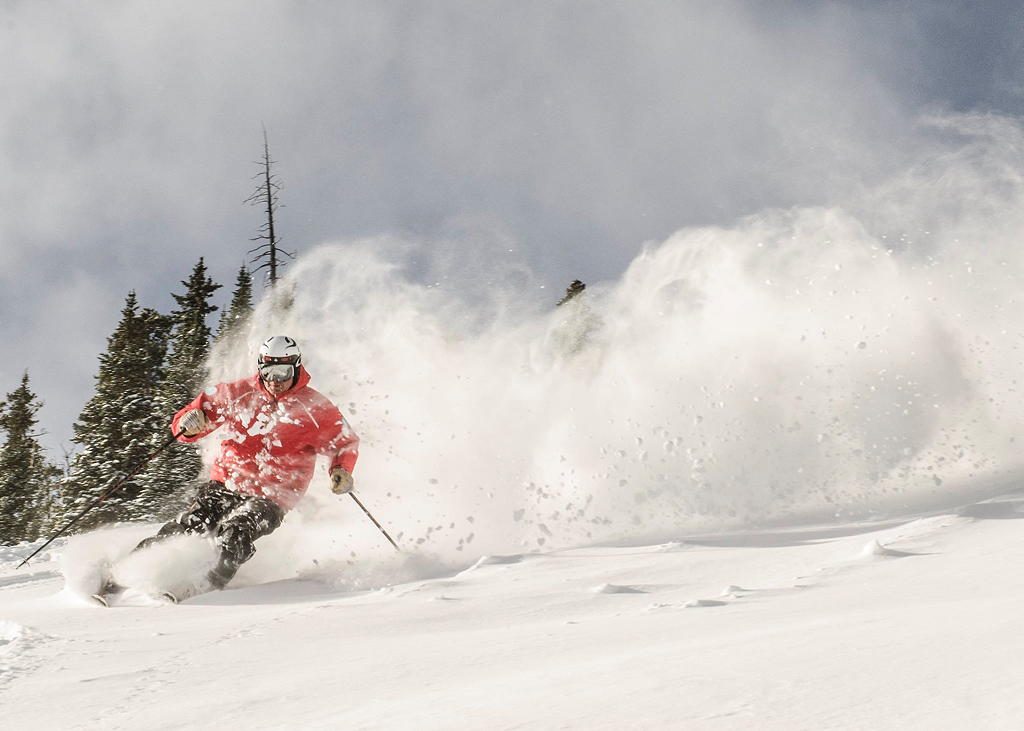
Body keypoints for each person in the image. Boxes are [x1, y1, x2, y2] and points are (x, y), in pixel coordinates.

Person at [131, 335, 359, 596]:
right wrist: (189, 423)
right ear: (260, 368)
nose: (275, 379)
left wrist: (341, 469)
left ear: (296, 367)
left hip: (274, 494)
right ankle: (126, 575)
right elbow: (186, 423)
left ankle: (206, 586)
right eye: (268, 371)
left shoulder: (315, 407)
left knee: (236, 530)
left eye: (283, 371)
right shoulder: (236, 393)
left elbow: (344, 441)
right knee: (191, 525)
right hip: (228, 481)